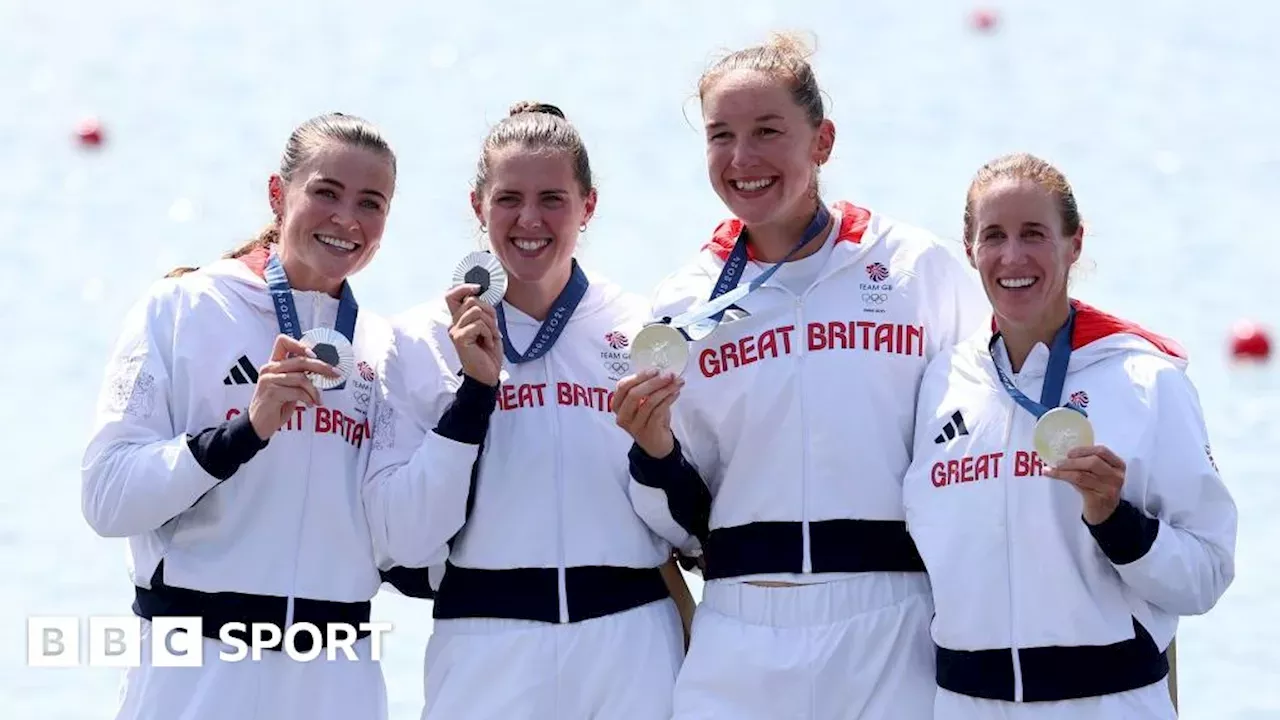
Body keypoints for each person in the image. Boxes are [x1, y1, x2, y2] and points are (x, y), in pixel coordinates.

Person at [613, 33, 989, 720]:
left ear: (823, 141)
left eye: (767, 132)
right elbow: (681, 518)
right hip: (742, 622)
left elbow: (984, 439)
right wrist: (654, 449)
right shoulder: (683, 302)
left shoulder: (915, 269)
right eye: (721, 135)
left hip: (893, 619)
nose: (742, 158)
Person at [363, 101, 690, 720]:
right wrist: (473, 396)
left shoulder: (640, 326)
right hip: (486, 645)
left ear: (588, 205)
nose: (529, 220)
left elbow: (691, 528)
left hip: (630, 644)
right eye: (509, 198)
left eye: (553, 199)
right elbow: (401, 537)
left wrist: (660, 453)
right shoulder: (421, 338)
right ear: (477, 205)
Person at [82, 112, 401, 720]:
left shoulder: (385, 349)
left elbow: (403, 539)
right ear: (279, 195)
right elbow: (107, 497)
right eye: (326, 192)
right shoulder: (183, 307)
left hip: (337, 681)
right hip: (197, 673)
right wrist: (244, 432)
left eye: (371, 202)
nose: (346, 219)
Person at [900, 152, 1237, 719]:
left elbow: (1206, 575)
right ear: (969, 250)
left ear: (1073, 244)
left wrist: (1115, 520)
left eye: (1034, 234)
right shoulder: (942, 380)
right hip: (964, 704)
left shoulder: (1143, 379)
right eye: (994, 236)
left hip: (1104, 702)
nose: (1012, 257)